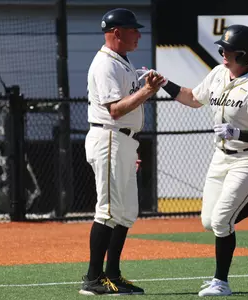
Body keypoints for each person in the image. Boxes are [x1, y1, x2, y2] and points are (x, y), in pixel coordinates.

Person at [156, 24, 248, 297]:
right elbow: (192, 98)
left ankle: (221, 282)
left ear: (243, 54)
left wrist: (239, 132)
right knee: (208, 222)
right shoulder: (217, 74)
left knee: (222, 220)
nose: (222, 52)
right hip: (222, 155)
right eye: (222, 48)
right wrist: (165, 84)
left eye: (227, 50)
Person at [79, 8, 164, 296]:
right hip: (110, 137)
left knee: (126, 211)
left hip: (123, 141)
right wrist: (146, 91)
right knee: (108, 210)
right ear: (117, 33)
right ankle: (92, 278)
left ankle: (112, 274)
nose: (138, 33)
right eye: (133, 29)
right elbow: (115, 110)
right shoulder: (105, 64)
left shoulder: (121, 61)